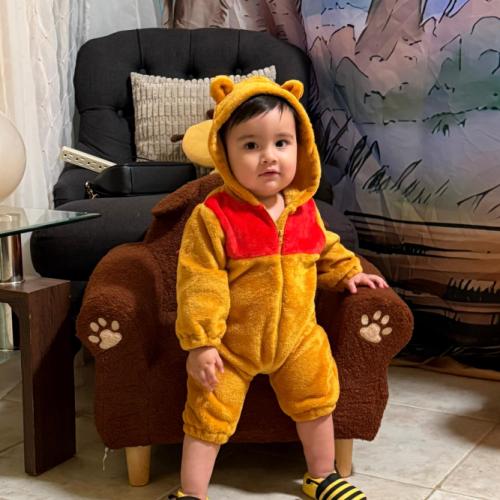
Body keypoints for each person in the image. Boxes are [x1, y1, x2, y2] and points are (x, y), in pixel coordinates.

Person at [170, 75, 387, 500]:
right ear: (225, 153)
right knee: (208, 411)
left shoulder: (303, 210)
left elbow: (325, 248)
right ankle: (192, 491)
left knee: (317, 400)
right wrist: (202, 343)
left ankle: (322, 476)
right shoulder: (214, 216)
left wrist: (349, 272)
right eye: (251, 145)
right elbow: (199, 281)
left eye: (281, 143)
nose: (269, 156)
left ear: (300, 148)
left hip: (297, 338)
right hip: (232, 344)